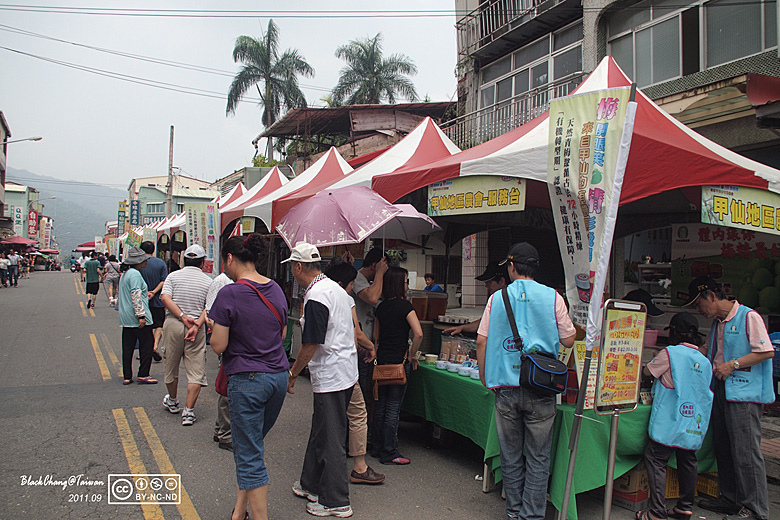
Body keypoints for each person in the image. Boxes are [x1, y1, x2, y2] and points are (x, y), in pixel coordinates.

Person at [476, 242, 576, 520]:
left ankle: (514, 511)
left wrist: (486, 377)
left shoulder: (497, 298)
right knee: (539, 456)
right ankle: (532, 515)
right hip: (542, 387)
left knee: (510, 454)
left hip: (506, 386)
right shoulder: (553, 297)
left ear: (511, 267)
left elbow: (481, 341)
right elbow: (569, 338)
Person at [209, 235, 290, 520]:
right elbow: (281, 335)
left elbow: (218, 345)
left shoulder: (229, 294)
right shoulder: (277, 289)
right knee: (251, 446)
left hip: (248, 380)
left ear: (230, 259)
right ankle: (239, 511)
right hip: (278, 377)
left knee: (249, 454)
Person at [684, 277, 774, 520]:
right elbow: (707, 351)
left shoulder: (748, 316)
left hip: (744, 395)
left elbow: (766, 351)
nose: (698, 310)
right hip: (721, 390)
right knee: (724, 448)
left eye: (699, 304)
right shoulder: (718, 323)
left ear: (712, 296)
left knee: (746, 452)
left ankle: (755, 509)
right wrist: (682, 352)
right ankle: (731, 499)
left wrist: (732, 365)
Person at [286, 243, 357, 518]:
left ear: (299, 267)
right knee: (322, 429)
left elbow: (311, 343)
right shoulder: (334, 289)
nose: (292, 271)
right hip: (343, 370)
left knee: (331, 437)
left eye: (292, 266)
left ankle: (336, 500)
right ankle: (310, 484)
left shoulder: (316, 295)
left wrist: (292, 374)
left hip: (332, 374)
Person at [639, 312, 713, 520]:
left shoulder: (670, 353)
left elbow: (648, 373)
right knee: (688, 460)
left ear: (673, 332)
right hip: (692, 423)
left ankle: (656, 512)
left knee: (655, 459)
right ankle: (684, 507)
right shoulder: (704, 360)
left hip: (669, 420)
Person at [323, 261, 385, 485]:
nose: (352, 288)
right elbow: (358, 330)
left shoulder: (318, 295)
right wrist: (370, 346)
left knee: (331, 415)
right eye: (350, 284)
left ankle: (328, 461)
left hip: (327, 370)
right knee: (357, 413)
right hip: (344, 367)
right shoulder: (345, 298)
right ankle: (358, 465)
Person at [372, 266, 423, 465]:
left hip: (383, 361)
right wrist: (412, 355)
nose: (407, 285)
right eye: (405, 282)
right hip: (399, 364)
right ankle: (389, 452)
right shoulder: (406, 307)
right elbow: (418, 333)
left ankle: (376, 447)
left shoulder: (381, 307)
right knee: (393, 408)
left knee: (381, 406)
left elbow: (375, 337)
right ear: (398, 284)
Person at [160, 244, 212, 426]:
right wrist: (196, 324)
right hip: (196, 328)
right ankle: (189, 412)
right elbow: (209, 308)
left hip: (174, 323)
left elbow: (165, 298)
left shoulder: (172, 277)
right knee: (196, 369)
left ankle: (173, 401)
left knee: (171, 364)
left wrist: (182, 317)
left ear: (183, 260)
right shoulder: (208, 281)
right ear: (203, 262)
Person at [350, 248, 389, 413]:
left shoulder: (365, 282)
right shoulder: (358, 279)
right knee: (359, 395)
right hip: (359, 345)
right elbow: (372, 299)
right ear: (374, 265)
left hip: (364, 343)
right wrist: (380, 273)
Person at [116, 246, 157, 385]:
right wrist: (141, 315)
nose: (146, 262)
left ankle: (127, 375)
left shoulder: (126, 274)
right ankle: (143, 373)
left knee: (127, 347)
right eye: (143, 260)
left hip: (126, 316)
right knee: (147, 345)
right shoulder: (135, 274)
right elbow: (135, 294)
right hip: (136, 316)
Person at [206, 269, 234, 452]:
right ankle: (224, 434)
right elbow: (210, 315)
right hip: (228, 344)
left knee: (228, 388)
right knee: (227, 390)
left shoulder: (244, 283)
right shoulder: (222, 282)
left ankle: (220, 429)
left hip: (236, 344)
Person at [443, 261, 510, 335]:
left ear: (501, 281)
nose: (486, 286)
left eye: (489, 282)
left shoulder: (502, 299)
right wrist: (461, 328)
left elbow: (484, 331)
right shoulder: (500, 298)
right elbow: (485, 322)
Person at [139, 241, 168, 362]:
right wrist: (154, 292)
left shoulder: (139, 264)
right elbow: (163, 280)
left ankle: (145, 350)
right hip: (157, 300)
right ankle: (155, 345)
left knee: (145, 326)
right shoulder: (161, 263)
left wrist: (146, 293)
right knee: (159, 325)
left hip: (142, 300)